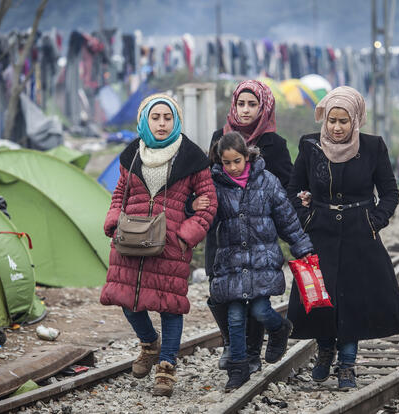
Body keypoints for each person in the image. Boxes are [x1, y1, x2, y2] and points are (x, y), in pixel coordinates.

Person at [287, 86, 399, 389]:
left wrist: (375, 221)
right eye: (332, 121)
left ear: (355, 120)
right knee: (319, 296)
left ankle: (347, 365)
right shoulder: (309, 146)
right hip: (320, 233)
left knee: (353, 300)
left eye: (343, 121)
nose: (337, 127)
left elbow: (390, 193)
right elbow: (292, 191)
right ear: (324, 120)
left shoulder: (373, 147)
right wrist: (306, 217)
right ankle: (325, 348)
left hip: (360, 235)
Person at [101, 94, 218, 397]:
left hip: (170, 244)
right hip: (131, 239)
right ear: (145, 120)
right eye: (156, 117)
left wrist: (186, 235)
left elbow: (208, 204)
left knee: (170, 307)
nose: (162, 123)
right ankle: (149, 343)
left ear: (176, 120)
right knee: (126, 300)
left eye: (168, 117)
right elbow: (119, 195)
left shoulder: (191, 157)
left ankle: (166, 367)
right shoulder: (132, 154)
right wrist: (113, 222)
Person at [191, 80, 293, 374]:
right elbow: (205, 180)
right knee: (221, 291)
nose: (245, 110)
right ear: (233, 105)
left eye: (252, 104)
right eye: (241, 104)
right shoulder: (218, 137)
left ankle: (249, 354)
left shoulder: (275, 144)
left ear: (264, 108)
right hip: (223, 233)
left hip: (257, 235)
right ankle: (230, 343)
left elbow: (286, 186)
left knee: (253, 294)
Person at [207, 131, 313, 390]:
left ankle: (280, 329)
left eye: (237, 161)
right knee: (234, 318)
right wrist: (193, 207)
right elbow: (206, 219)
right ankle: (238, 368)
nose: (232, 167)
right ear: (220, 161)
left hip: (261, 261)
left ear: (247, 157)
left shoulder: (267, 182)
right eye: (226, 163)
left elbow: (286, 219)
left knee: (260, 310)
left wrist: (302, 247)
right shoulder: (216, 185)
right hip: (231, 263)